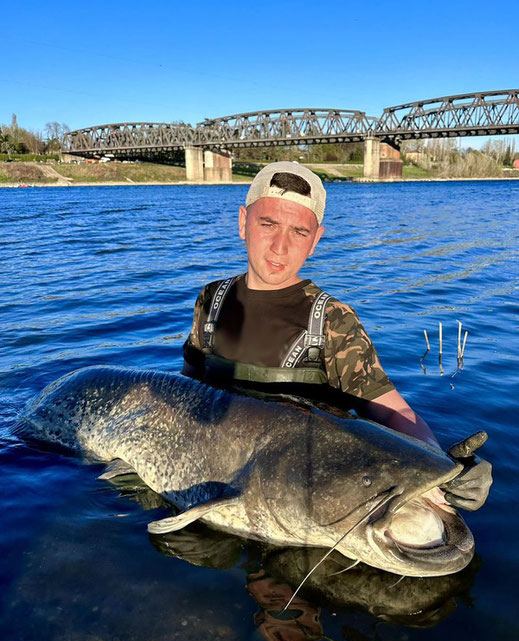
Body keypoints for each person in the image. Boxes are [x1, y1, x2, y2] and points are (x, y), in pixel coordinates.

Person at [182, 161, 491, 511]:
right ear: (243, 222)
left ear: (315, 241)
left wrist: (442, 469)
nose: (280, 247)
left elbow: (391, 413)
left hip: (298, 502)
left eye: (299, 232)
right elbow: (188, 383)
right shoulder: (212, 300)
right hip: (210, 482)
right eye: (268, 224)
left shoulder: (333, 322)